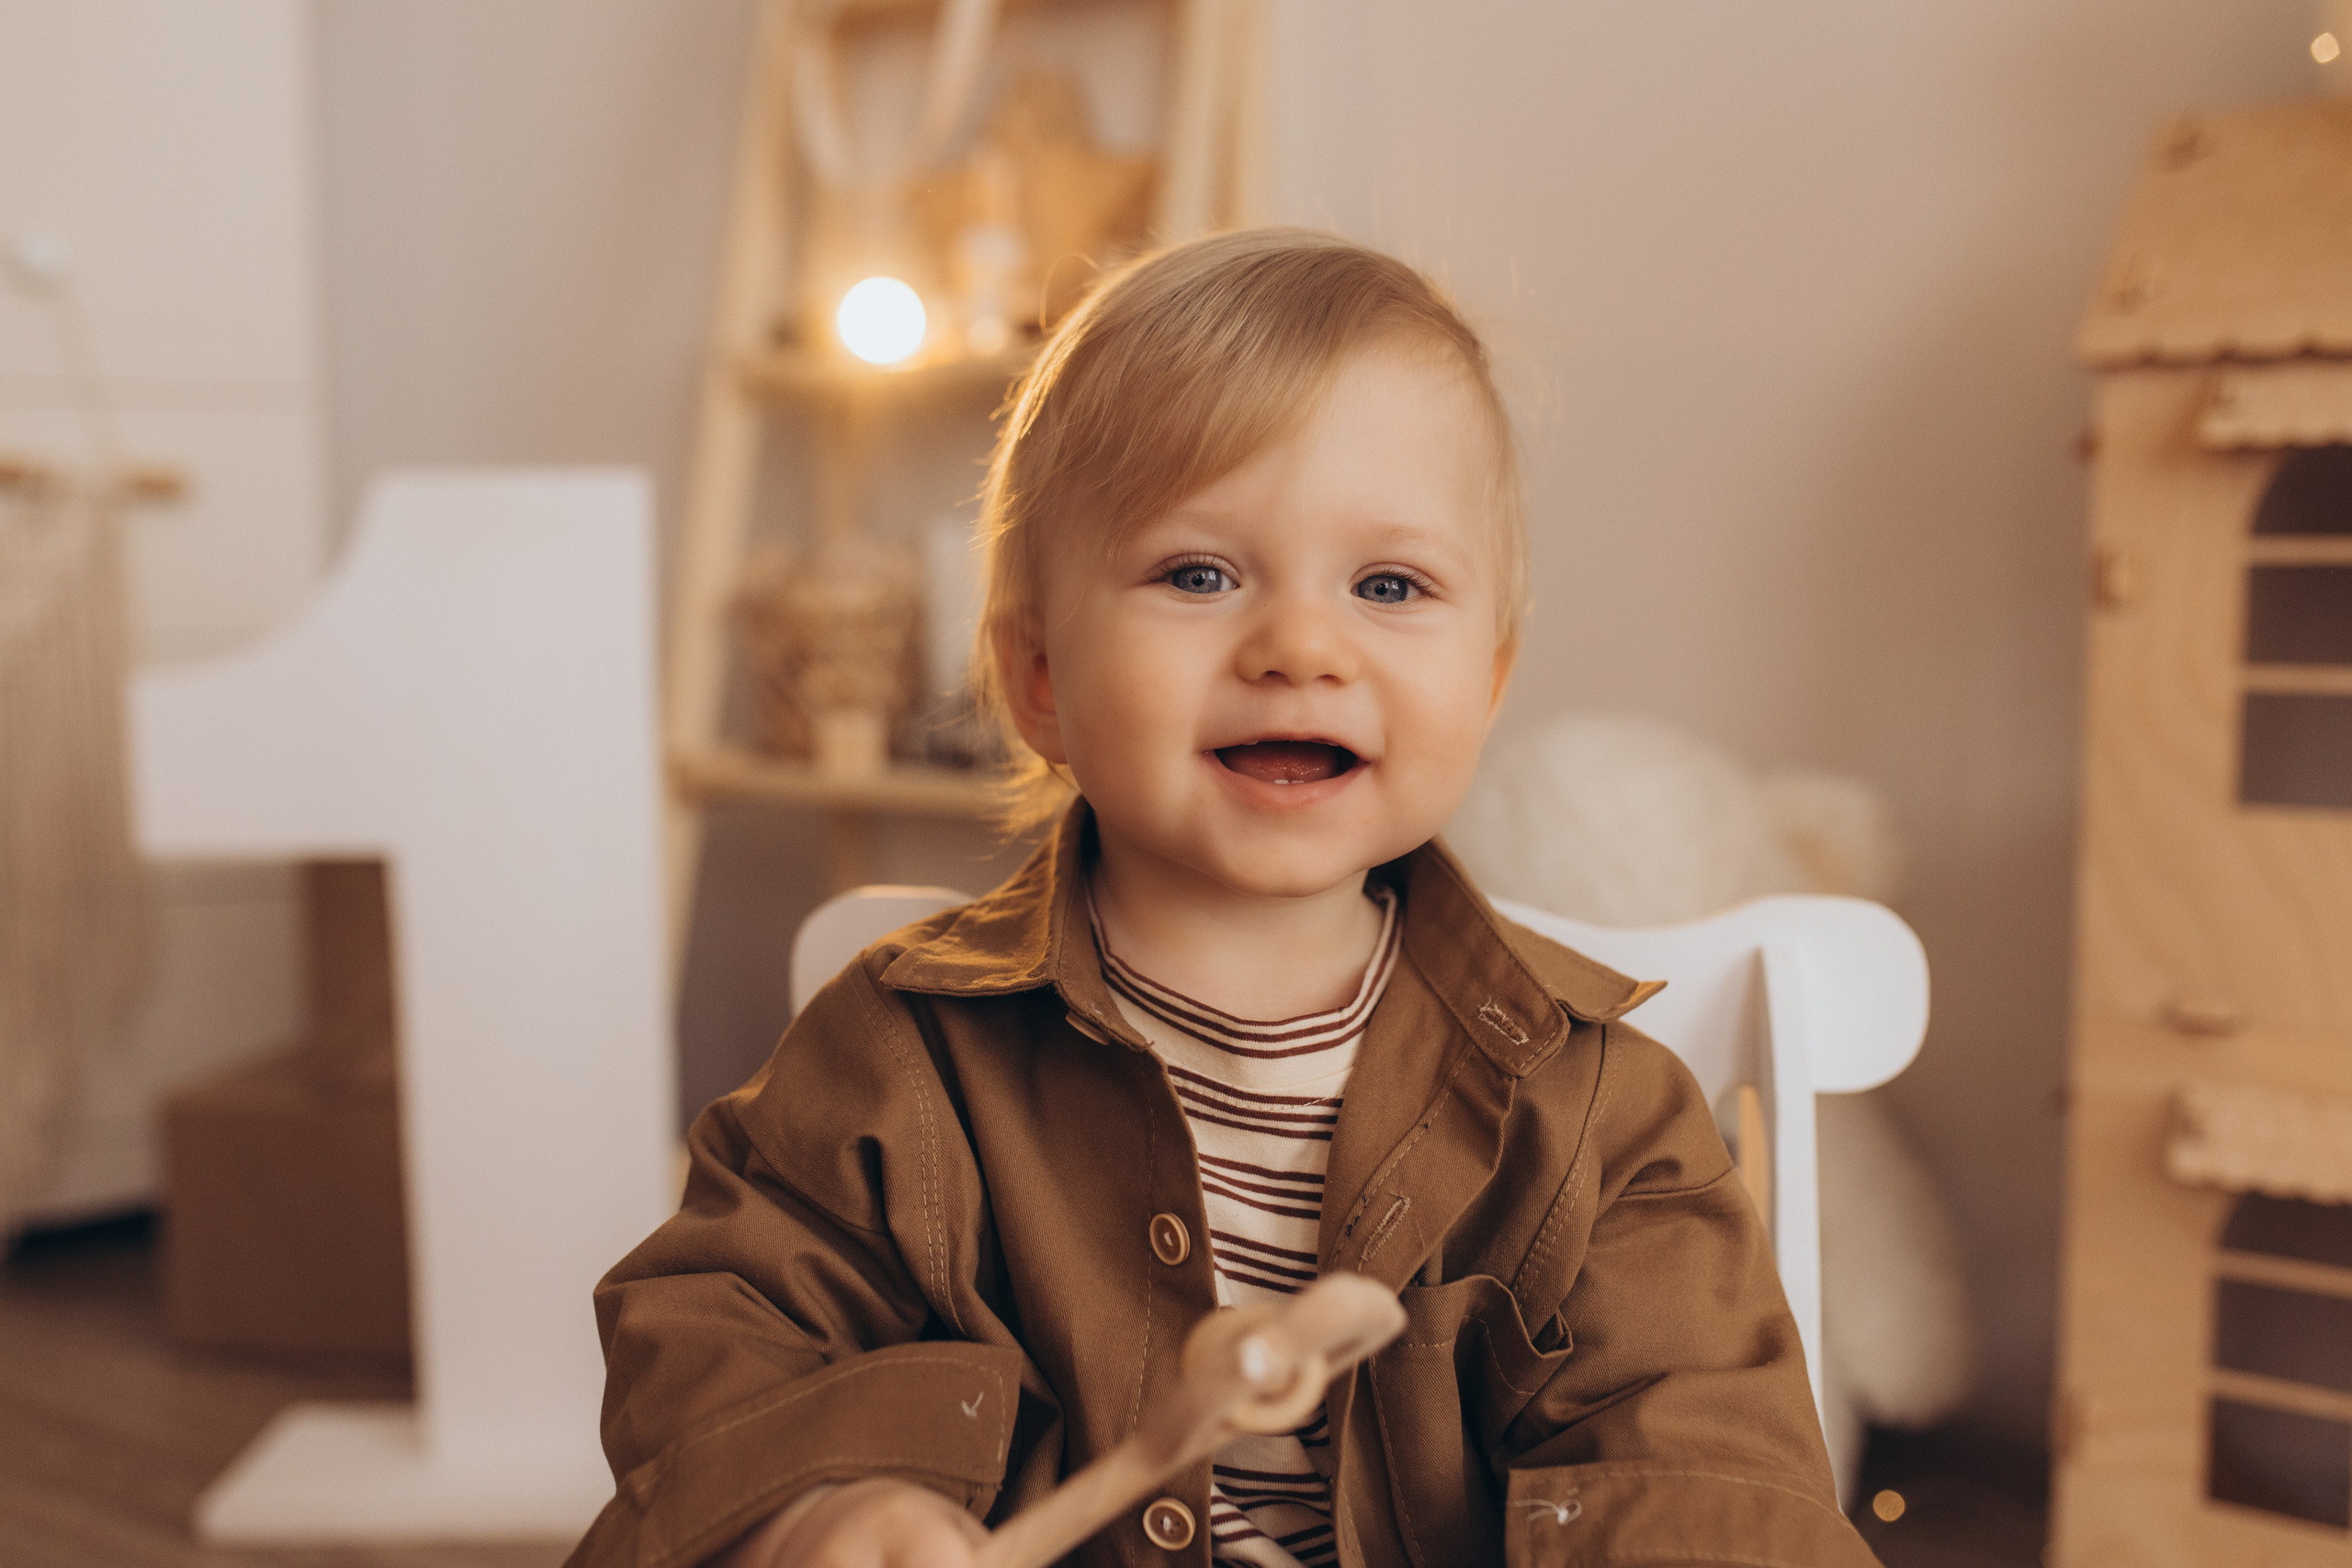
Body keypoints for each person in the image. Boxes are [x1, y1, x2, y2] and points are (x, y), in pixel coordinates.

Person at [569, 230, 1876, 1568]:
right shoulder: (901, 1058)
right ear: (1038, 679)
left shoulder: (1598, 1112)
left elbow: (1698, 1459)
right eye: (1199, 575)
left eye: (1388, 585)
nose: (1300, 647)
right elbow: (723, 1331)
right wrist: (829, 1507)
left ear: (1486, 682)